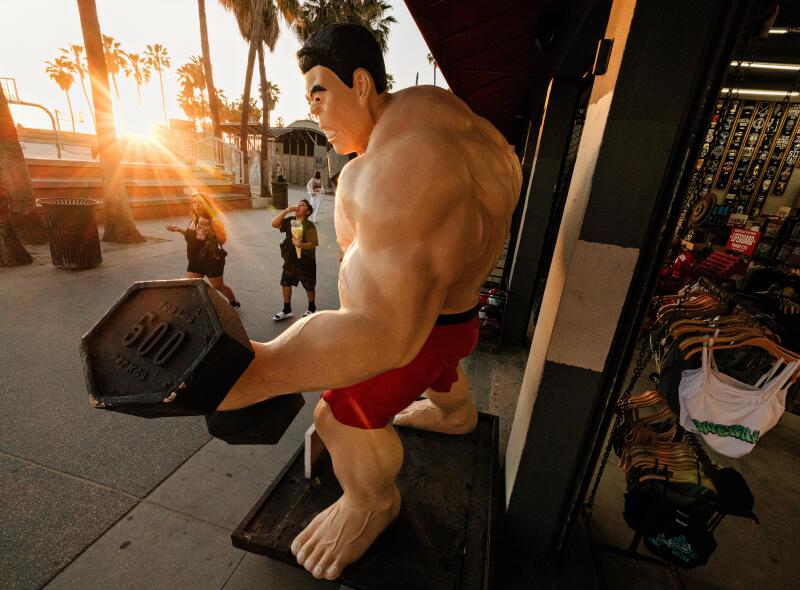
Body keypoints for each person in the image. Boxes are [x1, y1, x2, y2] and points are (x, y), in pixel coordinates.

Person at [216, 24, 521, 580]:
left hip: (419, 337)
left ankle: (372, 505)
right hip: (458, 319)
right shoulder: (452, 119)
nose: (313, 112)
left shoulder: (396, 171)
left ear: (360, 84)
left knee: (339, 414)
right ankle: (456, 415)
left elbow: (384, 333)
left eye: (318, 93)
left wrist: (262, 371)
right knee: (440, 360)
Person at [166, 192, 241, 309]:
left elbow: (222, 240)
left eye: (200, 203)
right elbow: (191, 238)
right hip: (195, 260)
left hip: (211, 260)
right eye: (194, 203)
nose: (196, 205)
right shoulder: (195, 219)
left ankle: (234, 302)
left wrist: (211, 233)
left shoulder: (214, 220)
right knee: (190, 284)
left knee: (218, 286)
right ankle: (194, 307)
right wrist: (178, 230)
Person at [271, 199, 318, 320]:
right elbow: (274, 224)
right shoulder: (291, 221)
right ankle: (287, 310)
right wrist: (286, 210)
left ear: (307, 212)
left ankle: (311, 308)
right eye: (298, 204)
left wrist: (300, 245)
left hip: (306, 260)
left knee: (308, 285)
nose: (298, 206)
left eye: (302, 205)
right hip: (290, 259)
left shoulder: (309, 225)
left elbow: (313, 244)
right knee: (285, 283)